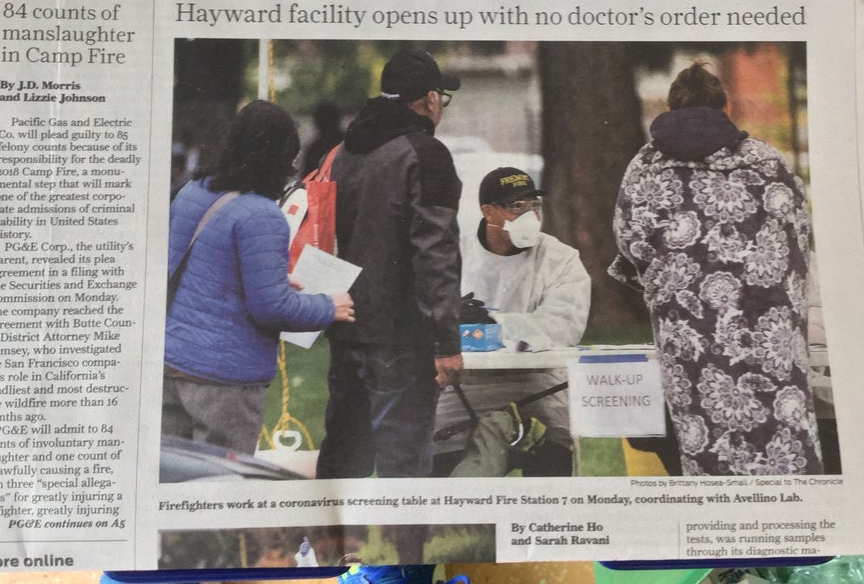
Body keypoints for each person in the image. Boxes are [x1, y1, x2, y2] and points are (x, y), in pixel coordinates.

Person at [611, 62, 822, 476]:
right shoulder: (764, 160)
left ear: (671, 106)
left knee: (701, 423)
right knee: (778, 422)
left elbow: (630, 238)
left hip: (688, 326)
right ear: (725, 106)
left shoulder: (645, 167)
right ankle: (790, 519)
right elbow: (796, 229)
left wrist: (665, 281)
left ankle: (713, 515)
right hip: (766, 320)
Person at [163, 99, 355, 455]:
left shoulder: (193, 191)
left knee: (176, 481)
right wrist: (328, 306)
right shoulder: (262, 214)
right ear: (279, 158)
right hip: (224, 380)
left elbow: (196, 267)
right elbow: (270, 308)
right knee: (220, 491)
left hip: (172, 363)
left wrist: (267, 276)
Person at [315, 49, 464, 479]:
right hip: (402, 338)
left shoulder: (343, 151)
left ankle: (338, 548)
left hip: (346, 326)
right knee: (405, 465)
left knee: (344, 455)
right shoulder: (425, 153)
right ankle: (406, 547)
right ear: (431, 100)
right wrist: (446, 343)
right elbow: (434, 254)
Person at [433, 166, 592, 476]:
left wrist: (491, 323)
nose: (530, 215)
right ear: (489, 212)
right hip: (468, 383)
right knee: (437, 468)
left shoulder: (561, 258)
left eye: (534, 205)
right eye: (517, 206)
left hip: (537, 383)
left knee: (554, 458)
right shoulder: (451, 254)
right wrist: (447, 316)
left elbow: (564, 326)